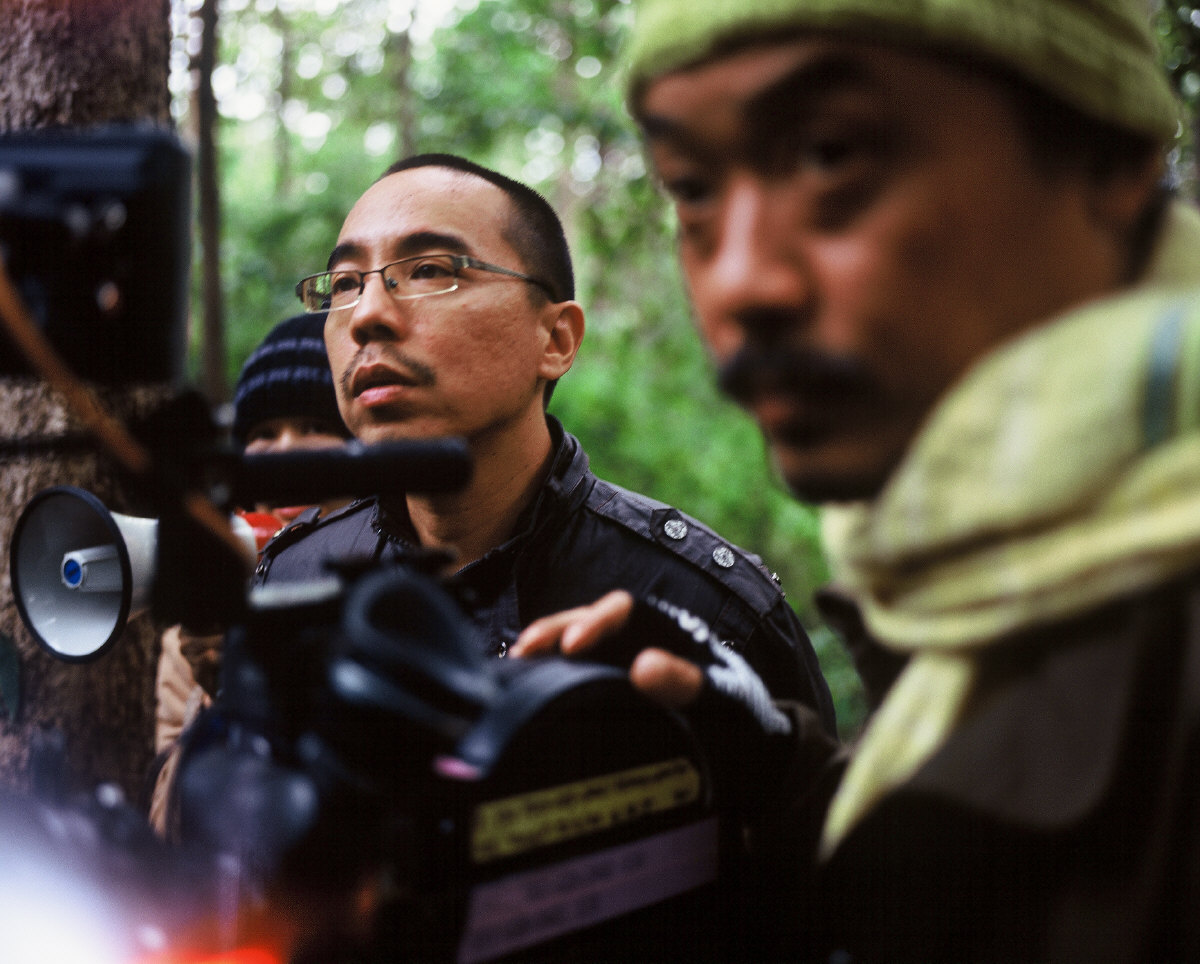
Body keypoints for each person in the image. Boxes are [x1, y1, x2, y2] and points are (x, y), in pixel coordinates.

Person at [514, 1, 1200, 960]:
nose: (742, 281)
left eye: (832, 155)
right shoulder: (978, 589)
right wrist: (753, 758)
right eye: (693, 188)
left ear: (1112, 161)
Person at [255, 152, 834, 728]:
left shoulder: (707, 614)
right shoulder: (294, 583)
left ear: (556, 339)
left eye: (430, 270)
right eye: (347, 283)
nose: (367, 315)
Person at [149, 312, 352, 833]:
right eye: (264, 432)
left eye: (314, 426)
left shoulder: (388, 595)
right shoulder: (196, 624)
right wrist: (221, 691)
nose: (285, 451)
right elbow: (168, 819)